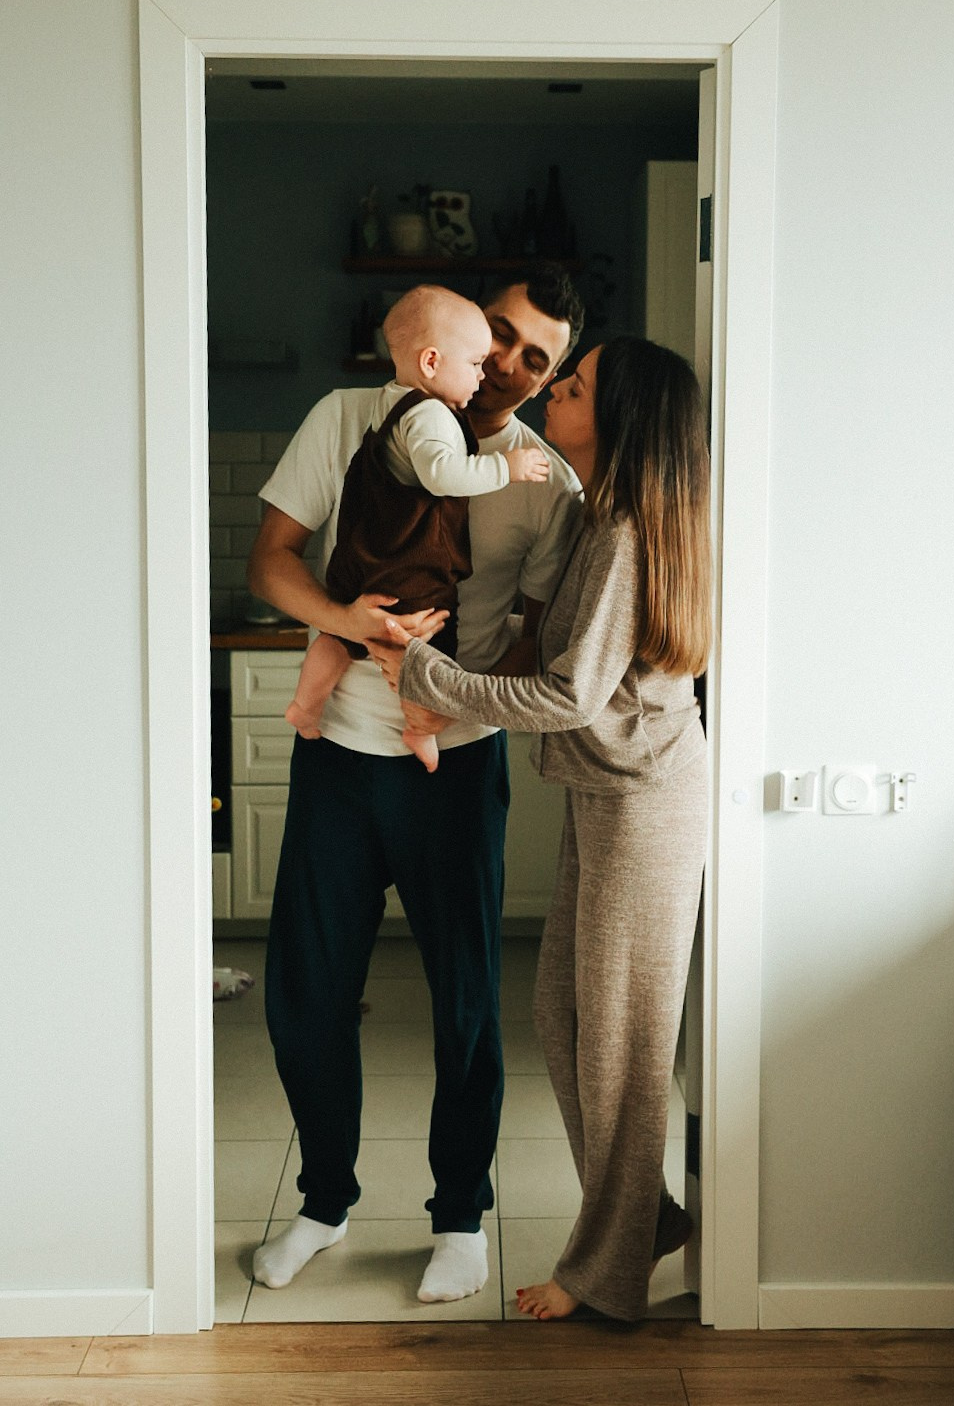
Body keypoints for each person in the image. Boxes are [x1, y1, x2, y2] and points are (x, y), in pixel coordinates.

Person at [246, 263, 585, 1302]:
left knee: (465, 1007)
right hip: (337, 760)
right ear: (451, 335)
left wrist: (458, 694)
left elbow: (536, 633)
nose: (511, 366)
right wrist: (353, 629)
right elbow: (273, 561)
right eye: (501, 334)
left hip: (456, 766)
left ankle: (458, 1216)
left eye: (538, 358)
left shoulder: (536, 478)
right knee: (306, 997)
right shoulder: (351, 414)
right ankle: (324, 1200)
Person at [368, 336, 712, 1322]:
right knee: (562, 1017)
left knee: (618, 1044)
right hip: (610, 794)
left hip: (642, 805)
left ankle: (605, 1272)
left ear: (621, 418)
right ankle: (643, 1221)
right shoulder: (605, 514)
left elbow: (566, 693)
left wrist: (425, 677)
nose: (553, 392)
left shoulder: (624, 534)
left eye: (574, 384)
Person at [285, 286, 550, 770]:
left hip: (362, 567)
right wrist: (506, 468)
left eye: (534, 359)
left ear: (545, 381)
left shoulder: (392, 403)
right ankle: (418, 727)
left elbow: (541, 637)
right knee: (428, 653)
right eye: (478, 359)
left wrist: (347, 620)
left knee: (335, 643)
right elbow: (443, 474)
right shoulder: (430, 413)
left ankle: (306, 702)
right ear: (431, 362)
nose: (490, 368)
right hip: (405, 575)